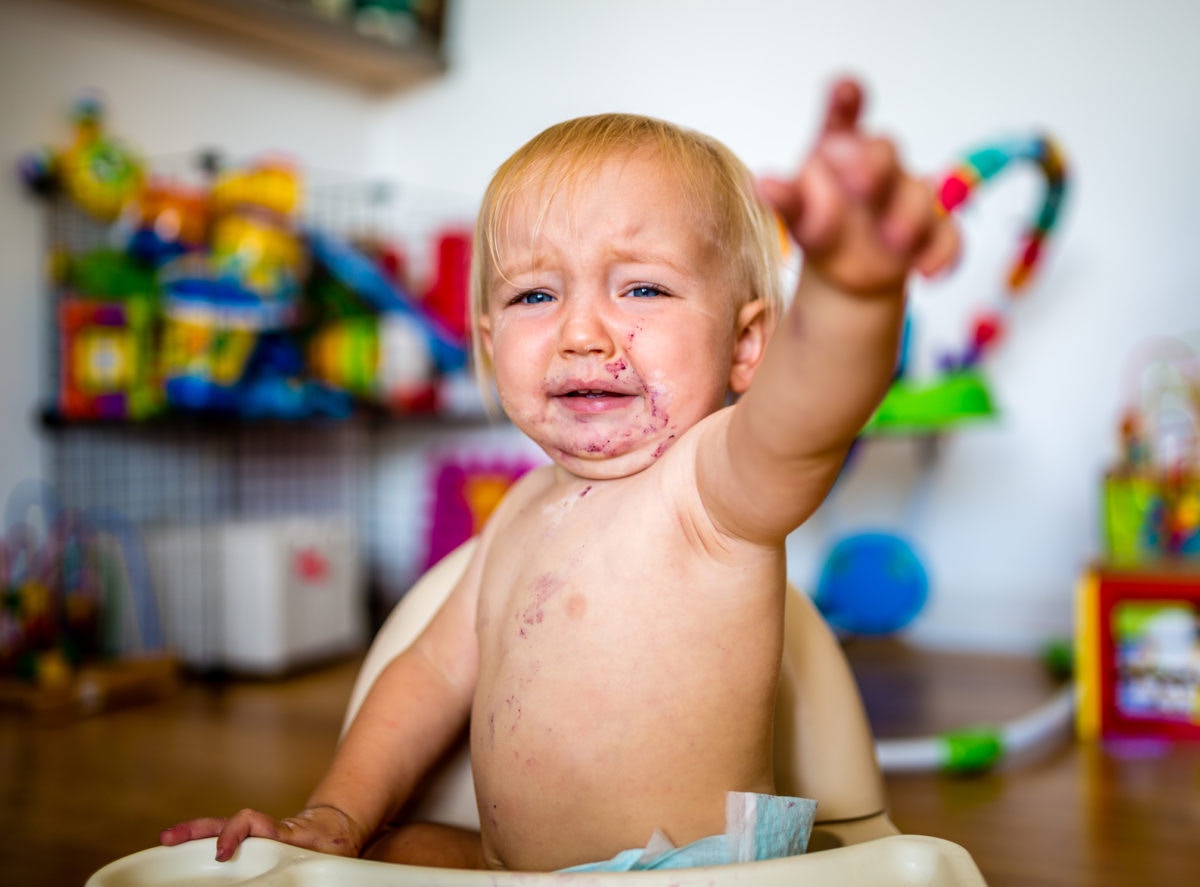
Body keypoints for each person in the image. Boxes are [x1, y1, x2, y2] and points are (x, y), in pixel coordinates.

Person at [161, 76, 958, 872]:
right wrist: (334, 816)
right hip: (525, 868)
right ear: (487, 336)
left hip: (687, 871)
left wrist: (855, 290)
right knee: (383, 851)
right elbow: (432, 671)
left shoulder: (712, 489)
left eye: (642, 287)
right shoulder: (518, 510)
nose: (580, 331)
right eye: (535, 294)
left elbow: (812, 412)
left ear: (748, 344)